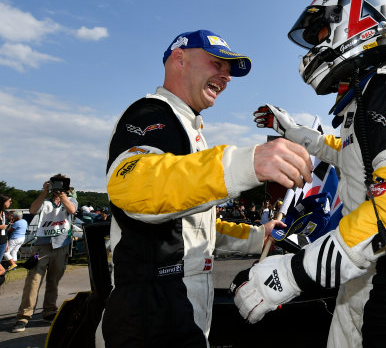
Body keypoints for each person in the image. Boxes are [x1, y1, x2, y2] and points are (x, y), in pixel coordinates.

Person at [232, 0, 386, 347]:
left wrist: (292, 275)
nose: (316, 45)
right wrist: (292, 130)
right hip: (366, 267)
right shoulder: (368, 97)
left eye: (321, 31)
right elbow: (343, 151)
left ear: (357, 21)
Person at [97, 29, 312, 347]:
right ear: (179, 58)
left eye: (229, 70)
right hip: (151, 305)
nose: (226, 77)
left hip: (177, 297)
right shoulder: (151, 113)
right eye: (217, 63)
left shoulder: (188, 125)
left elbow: (195, 227)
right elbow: (133, 188)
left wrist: (259, 236)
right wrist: (246, 163)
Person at [12, 175, 77, 333]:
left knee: (53, 281)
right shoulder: (45, 201)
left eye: (61, 186)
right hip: (41, 246)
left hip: (61, 245)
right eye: (55, 185)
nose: (57, 188)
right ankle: (24, 315)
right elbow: (33, 210)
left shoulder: (71, 199)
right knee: (33, 281)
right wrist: (44, 193)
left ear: (67, 188)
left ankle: (49, 310)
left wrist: (62, 196)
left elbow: (72, 210)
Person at [0, 195, 12, 266]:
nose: (11, 202)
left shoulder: (6, 214)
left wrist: (6, 242)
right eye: (9, 201)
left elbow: (6, 231)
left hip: (2, 241)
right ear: (3, 202)